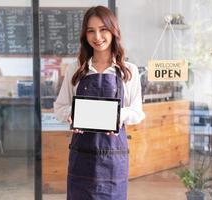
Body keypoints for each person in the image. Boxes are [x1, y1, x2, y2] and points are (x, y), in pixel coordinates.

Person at [54, 5, 145, 200]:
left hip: (114, 158)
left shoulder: (128, 70)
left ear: (113, 31)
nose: (97, 36)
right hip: (81, 157)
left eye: (103, 29)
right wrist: (73, 113)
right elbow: (59, 107)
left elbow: (138, 112)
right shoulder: (77, 69)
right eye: (91, 31)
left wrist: (118, 116)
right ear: (84, 35)